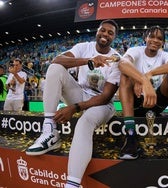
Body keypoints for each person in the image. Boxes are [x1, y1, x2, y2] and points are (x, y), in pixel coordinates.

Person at [25, 19, 121, 188]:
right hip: (81, 94)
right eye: (103, 30)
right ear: (97, 31)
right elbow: (57, 60)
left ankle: (72, 184)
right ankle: (49, 131)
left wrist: (75, 108)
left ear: (114, 37)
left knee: (85, 122)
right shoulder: (83, 47)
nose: (105, 34)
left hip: (102, 104)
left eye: (110, 32)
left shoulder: (116, 58)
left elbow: (106, 96)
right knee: (55, 68)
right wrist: (88, 61)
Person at [118, 26, 168, 160]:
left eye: (159, 38)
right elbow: (122, 63)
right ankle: (131, 134)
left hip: (157, 103)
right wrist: (142, 80)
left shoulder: (165, 55)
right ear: (145, 38)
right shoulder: (135, 51)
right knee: (125, 76)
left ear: (163, 42)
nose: (155, 40)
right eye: (152, 36)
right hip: (137, 103)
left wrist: (149, 74)